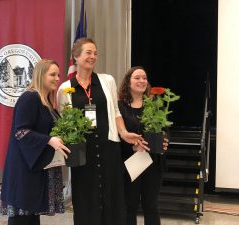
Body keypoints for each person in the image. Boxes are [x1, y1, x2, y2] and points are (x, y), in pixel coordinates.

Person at [57, 38, 142, 225]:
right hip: (82, 152)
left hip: (108, 147)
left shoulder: (107, 80)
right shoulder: (65, 88)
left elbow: (116, 112)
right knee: (86, 198)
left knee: (112, 196)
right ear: (76, 56)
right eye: (88, 52)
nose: (93, 56)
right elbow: (64, 123)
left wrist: (124, 133)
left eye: (95, 53)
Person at [0, 59, 70, 225]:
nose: (57, 78)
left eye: (58, 75)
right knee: (21, 219)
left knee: (32, 217)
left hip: (35, 168)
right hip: (24, 170)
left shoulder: (45, 102)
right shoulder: (29, 98)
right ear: (40, 75)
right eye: (52, 74)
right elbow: (21, 131)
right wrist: (49, 140)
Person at [118, 66, 168, 225]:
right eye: (137, 78)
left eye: (144, 78)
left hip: (153, 162)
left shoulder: (155, 105)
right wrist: (132, 147)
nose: (142, 81)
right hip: (130, 162)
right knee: (129, 206)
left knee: (151, 206)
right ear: (128, 82)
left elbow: (165, 129)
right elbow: (116, 137)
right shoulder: (120, 107)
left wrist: (165, 141)